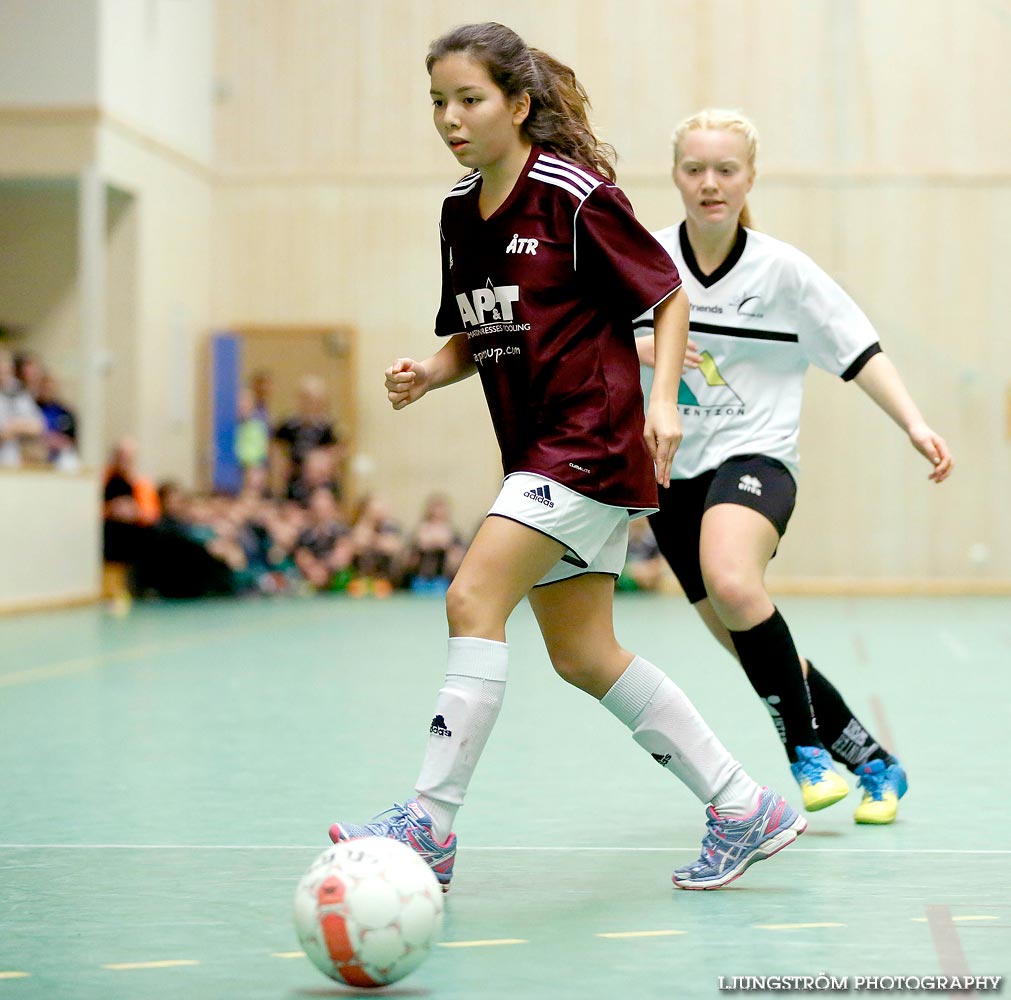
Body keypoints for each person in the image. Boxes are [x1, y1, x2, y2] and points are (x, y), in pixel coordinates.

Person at [327, 24, 807, 893]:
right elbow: (482, 330)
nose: (450, 117)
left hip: (586, 442)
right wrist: (428, 373)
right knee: (583, 653)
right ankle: (743, 806)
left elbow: (664, 297)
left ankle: (428, 825)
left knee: (472, 595)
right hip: (536, 451)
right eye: (437, 101)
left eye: (468, 99)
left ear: (517, 102)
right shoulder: (457, 210)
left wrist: (663, 404)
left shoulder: (573, 194)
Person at [634, 109, 953, 825]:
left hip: (756, 460)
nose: (709, 184)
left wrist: (913, 422)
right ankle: (874, 762)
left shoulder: (783, 272)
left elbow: (858, 351)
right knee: (752, 645)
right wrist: (642, 352)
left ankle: (804, 756)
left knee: (734, 579)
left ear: (749, 177)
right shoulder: (644, 260)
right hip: (668, 478)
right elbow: (585, 348)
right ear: (675, 176)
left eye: (725, 170)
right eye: (694, 169)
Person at [272, 375, 342, 500]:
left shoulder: (328, 428)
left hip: (320, 484)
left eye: (316, 400)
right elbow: (277, 455)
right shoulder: (288, 425)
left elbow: (334, 457)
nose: (311, 404)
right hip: (294, 481)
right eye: (307, 399)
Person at [0, 348, 44, 468]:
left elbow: (38, 426)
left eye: (6, 366)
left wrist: (14, 428)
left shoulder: (17, 391)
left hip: (13, 460)